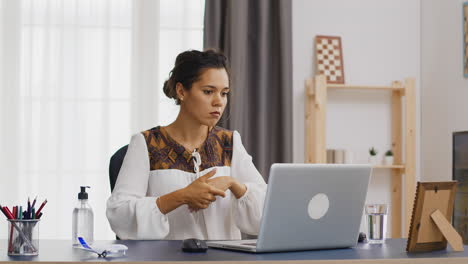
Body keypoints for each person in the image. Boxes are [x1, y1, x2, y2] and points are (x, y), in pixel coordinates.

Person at [106, 49, 267, 240]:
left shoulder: (230, 142)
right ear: (182, 91)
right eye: (208, 91)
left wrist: (233, 184)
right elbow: (119, 214)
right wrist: (181, 196)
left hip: (224, 260)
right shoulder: (146, 143)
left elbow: (266, 212)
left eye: (224, 93)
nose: (219, 102)